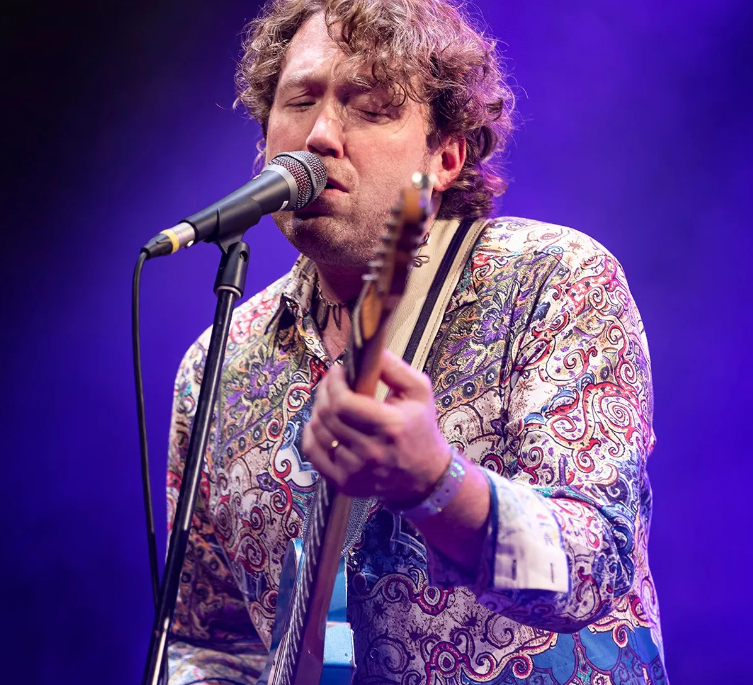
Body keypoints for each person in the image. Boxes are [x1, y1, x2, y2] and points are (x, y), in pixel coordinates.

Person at [165, 0, 668, 682]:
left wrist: (436, 482)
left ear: (445, 159)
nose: (319, 135)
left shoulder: (552, 281)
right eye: (299, 101)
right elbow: (211, 642)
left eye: (369, 107)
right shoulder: (217, 365)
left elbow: (592, 567)